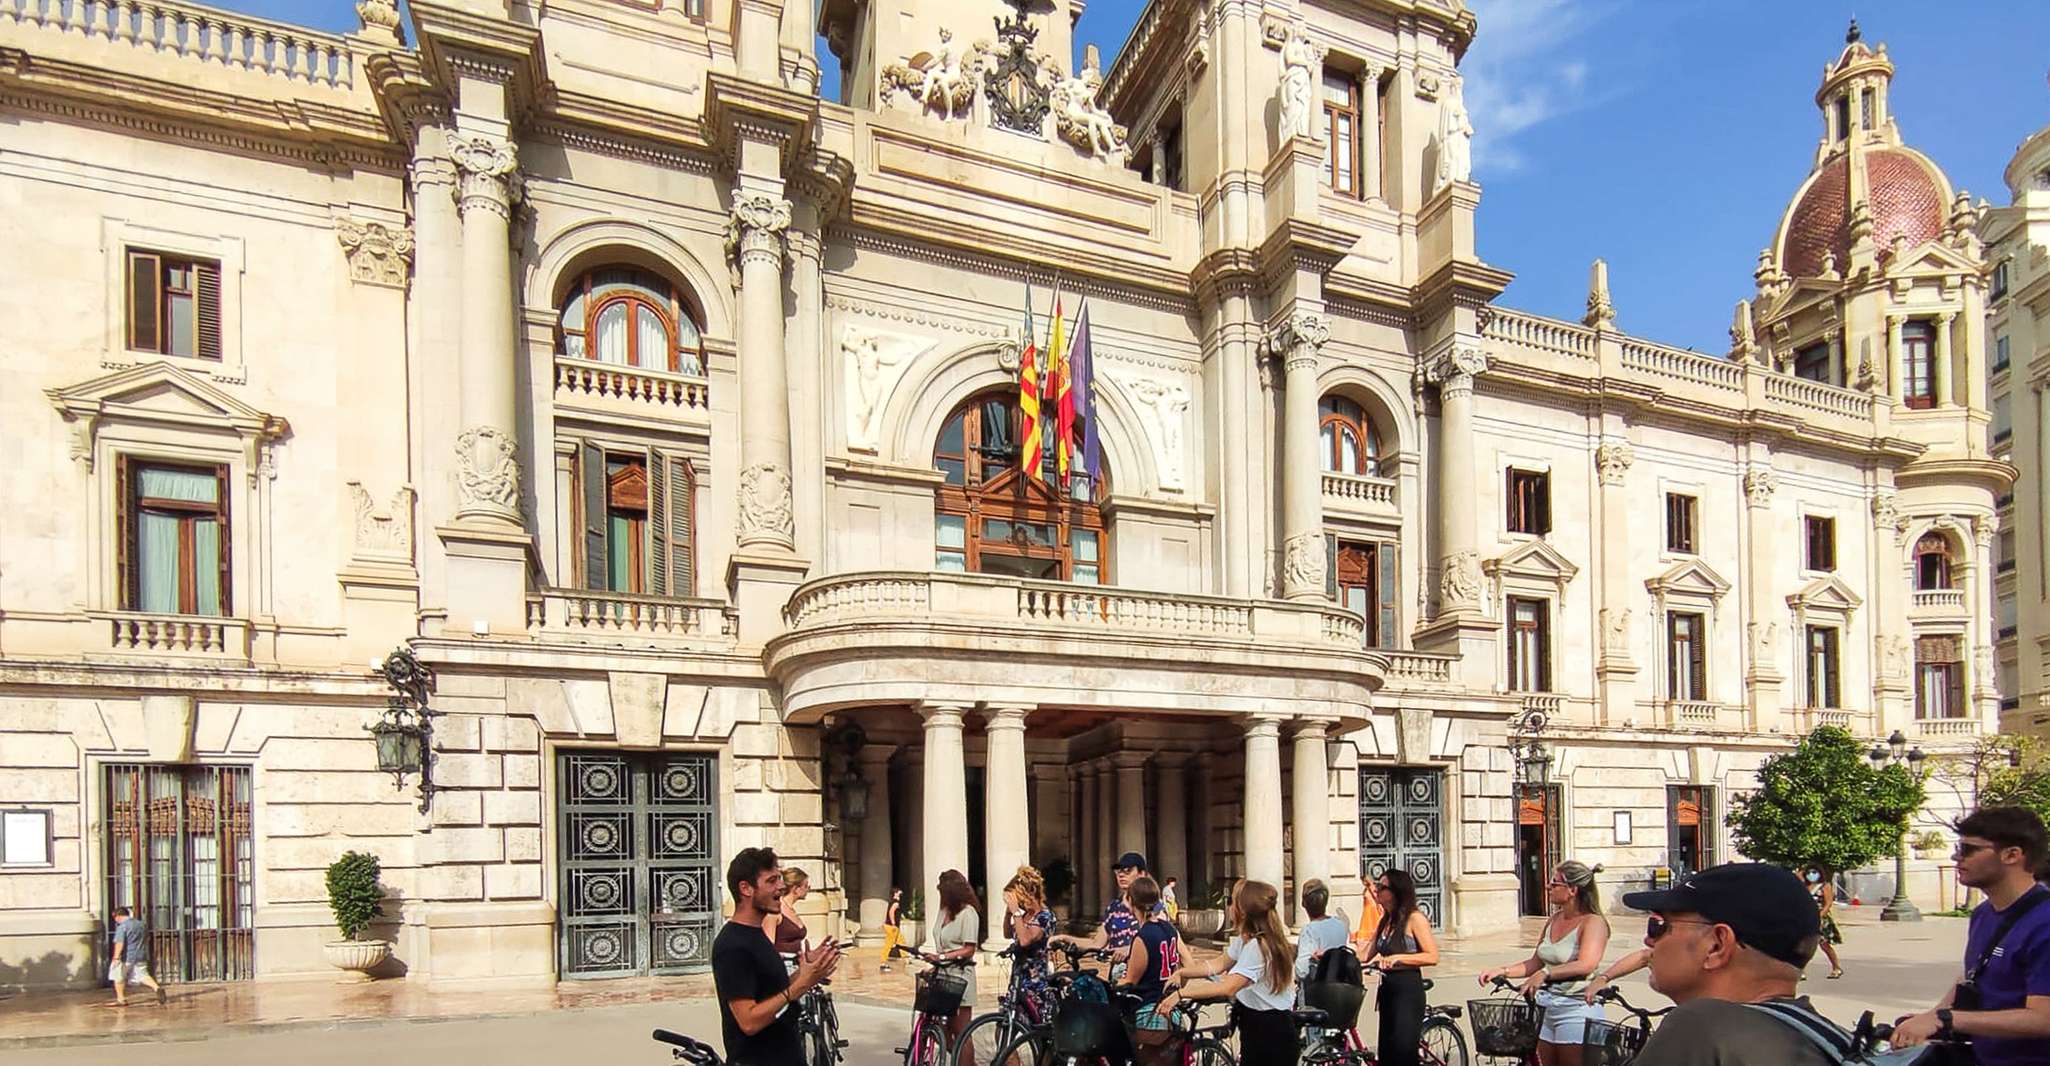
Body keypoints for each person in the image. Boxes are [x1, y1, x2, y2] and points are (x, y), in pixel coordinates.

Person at [1618, 862, 1854, 1065]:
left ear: (1717, 946)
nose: (1648, 940)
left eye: (1659, 926)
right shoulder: (1830, 1040)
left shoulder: (1700, 1025)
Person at [1892, 806, 2050, 1065]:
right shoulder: (1983, 913)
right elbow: (1972, 977)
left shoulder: (2045, 924)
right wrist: (1931, 1017)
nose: (1956, 857)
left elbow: (2044, 1019)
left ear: (2012, 855)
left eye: (1968, 850)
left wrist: (1946, 1019)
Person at [713, 847, 841, 1066]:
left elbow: (772, 991)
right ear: (746, 888)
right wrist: (799, 987)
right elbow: (749, 1021)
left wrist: (807, 970)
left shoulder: (757, 934)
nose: (781, 887)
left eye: (780, 880)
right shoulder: (732, 946)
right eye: (772, 881)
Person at [1478, 861, 1610, 1066]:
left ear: (1572, 890)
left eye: (1554, 883)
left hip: (1576, 1008)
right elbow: (1535, 962)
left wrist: (1546, 973)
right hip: (1546, 1007)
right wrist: (1503, 971)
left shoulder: (1593, 922)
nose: (1548, 887)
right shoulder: (1554, 919)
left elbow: (1587, 964)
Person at [1159, 880, 1296, 1066]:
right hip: (1256, 1023)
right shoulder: (1245, 940)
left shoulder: (1258, 947)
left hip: (1271, 1030)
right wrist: (1184, 972)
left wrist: (1181, 993)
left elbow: (1229, 987)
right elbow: (1218, 964)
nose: (1229, 907)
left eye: (1232, 902)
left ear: (1242, 910)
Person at [1359, 870, 1440, 1066]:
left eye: (1382, 887)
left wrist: (1399, 958)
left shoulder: (1415, 919)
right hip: (1388, 993)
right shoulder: (1385, 920)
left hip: (1407, 993)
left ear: (1396, 892)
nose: (1376, 890)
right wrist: (1332, 954)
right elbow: (1364, 955)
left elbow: (1432, 956)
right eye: (1377, 885)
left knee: (1402, 1052)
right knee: (1387, 1051)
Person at [1051, 851, 1161, 975]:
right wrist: (1064, 938)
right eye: (1118, 871)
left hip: (1145, 975)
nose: (1121, 875)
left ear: (1142, 874)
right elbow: (1096, 943)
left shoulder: (1153, 905)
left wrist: (1130, 950)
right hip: (1118, 977)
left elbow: (1162, 939)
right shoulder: (1114, 907)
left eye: (1127, 871)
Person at [1118, 876, 1184, 1066]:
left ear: (1131, 901)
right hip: (1171, 1007)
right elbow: (1181, 962)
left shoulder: (1143, 936)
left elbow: (1131, 980)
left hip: (1150, 1010)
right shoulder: (1169, 929)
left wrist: (1113, 984)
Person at [924, 869, 982, 1058]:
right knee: (938, 1025)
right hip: (942, 976)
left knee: (961, 1031)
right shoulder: (943, 912)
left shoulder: (968, 913)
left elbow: (969, 949)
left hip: (961, 977)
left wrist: (942, 958)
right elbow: (941, 943)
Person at [1002, 866, 1057, 1022]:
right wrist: (1008, 915)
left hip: (1034, 980)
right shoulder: (1024, 916)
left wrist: (1016, 914)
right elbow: (1008, 934)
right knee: (1005, 1024)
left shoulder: (1044, 916)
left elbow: (1025, 940)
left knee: (1035, 1027)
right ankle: (1008, 1048)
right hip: (1018, 977)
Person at [1294, 878, 1351, 984]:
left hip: (1317, 989)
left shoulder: (1309, 930)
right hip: (1339, 983)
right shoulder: (1340, 924)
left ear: (1303, 903)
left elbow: (1302, 971)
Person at [107, 906, 165, 1007]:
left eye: (115, 918)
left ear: (118, 916)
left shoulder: (122, 927)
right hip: (140, 955)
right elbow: (147, 938)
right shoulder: (141, 924)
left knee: (118, 976)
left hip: (126, 956)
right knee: (142, 975)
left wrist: (116, 957)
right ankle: (157, 988)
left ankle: (121, 999)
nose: (115, 920)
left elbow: (119, 943)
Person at [1804, 865, 1844, 980]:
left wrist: (1820, 916)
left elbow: (1828, 903)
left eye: (1814, 872)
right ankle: (1801, 971)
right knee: (1805, 944)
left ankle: (1836, 967)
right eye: (1809, 873)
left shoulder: (1825, 886)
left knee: (1824, 944)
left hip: (1821, 918)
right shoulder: (1805, 886)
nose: (1811, 875)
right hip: (1807, 918)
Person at [764, 866, 810, 959]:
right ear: (796, 889)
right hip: (783, 965)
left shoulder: (791, 910)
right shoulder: (775, 911)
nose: (808, 889)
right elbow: (768, 946)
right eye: (806, 886)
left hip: (797, 962)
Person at [880, 887, 905, 972]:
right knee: (888, 945)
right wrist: (893, 923)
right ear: (896, 893)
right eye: (898, 891)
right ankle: (883, 963)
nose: (900, 892)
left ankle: (907, 959)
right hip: (892, 927)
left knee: (901, 941)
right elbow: (891, 912)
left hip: (892, 927)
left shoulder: (893, 902)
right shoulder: (895, 903)